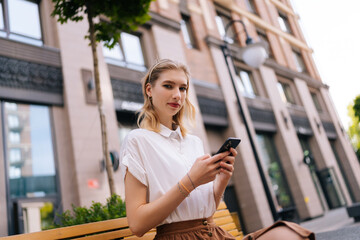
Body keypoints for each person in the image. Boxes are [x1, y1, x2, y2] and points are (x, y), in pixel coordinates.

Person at [120, 59, 315, 240]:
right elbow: (137, 225)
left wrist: (221, 180)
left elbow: (206, 211)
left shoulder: (193, 142)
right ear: (149, 90)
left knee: (289, 233)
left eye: (183, 88)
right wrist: (191, 181)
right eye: (168, 86)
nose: (177, 95)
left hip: (214, 233)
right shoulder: (138, 141)